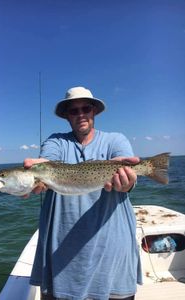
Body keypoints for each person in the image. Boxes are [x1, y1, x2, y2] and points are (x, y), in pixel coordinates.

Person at [24, 87, 142, 300]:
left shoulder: (116, 140)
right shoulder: (56, 142)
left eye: (85, 108)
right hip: (62, 253)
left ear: (94, 111)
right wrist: (35, 175)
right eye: (73, 111)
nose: (80, 115)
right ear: (66, 116)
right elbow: (46, 163)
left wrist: (127, 181)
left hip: (112, 252)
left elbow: (129, 177)